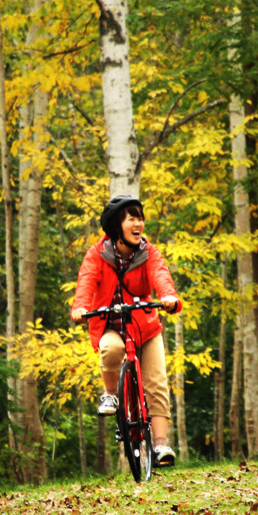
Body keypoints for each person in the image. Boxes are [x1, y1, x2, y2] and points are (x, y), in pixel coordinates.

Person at [71, 195, 183, 466]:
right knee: (111, 349)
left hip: (144, 327)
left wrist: (168, 296)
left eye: (140, 218)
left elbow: (160, 274)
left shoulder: (148, 252)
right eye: (131, 219)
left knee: (156, 382)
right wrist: (80, 307)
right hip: (110, 325)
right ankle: (111, 394)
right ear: (116, 226)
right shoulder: (97, 254)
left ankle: (160, 445)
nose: (138, 224)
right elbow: (86, 281)